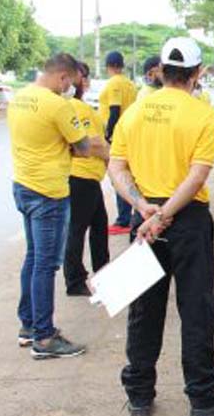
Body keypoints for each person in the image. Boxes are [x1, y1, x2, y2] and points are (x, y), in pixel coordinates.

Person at [109, 36, 214, 416]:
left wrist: (143, 208)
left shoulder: (134, 111)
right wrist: (165, 213)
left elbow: (116, 167)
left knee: (143, 309)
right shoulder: (201, 114)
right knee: (196, 307)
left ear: (161, 71)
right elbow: (198, 176)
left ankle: (139, 396)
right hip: (187, 221)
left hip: (143, 217)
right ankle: (202, 399)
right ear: (197, 74)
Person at [8, 53, 103, 359]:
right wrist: (71, 144)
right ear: (63, 77)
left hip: (23, 185)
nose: (70, 88)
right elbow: (85, 148)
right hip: (49, 192)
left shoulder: (20, 97)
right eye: (71, 82)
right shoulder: (57, 105)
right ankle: (45, 337)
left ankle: (28, 326)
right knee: (46, 264)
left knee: (34, 257)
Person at [63, 61, 110, 297]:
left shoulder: (70, 106)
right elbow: (95, 144)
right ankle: (75, 280)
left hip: (84, 176)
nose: (86, 82)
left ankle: (102, 274)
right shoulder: (78, 108)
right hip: (82, 176)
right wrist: (109, 154)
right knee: (79, 228)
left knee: (97, 226)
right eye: (84, 77)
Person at [99, 51, 138, 235]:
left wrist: (108, 134)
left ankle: (123, 219)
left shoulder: (114, 83)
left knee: (118, 177)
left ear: (109, 66)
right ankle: (130, 214)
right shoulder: (130, 83)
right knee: (129, 175)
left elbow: (114, 109)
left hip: (118, 137)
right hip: (130, 134)